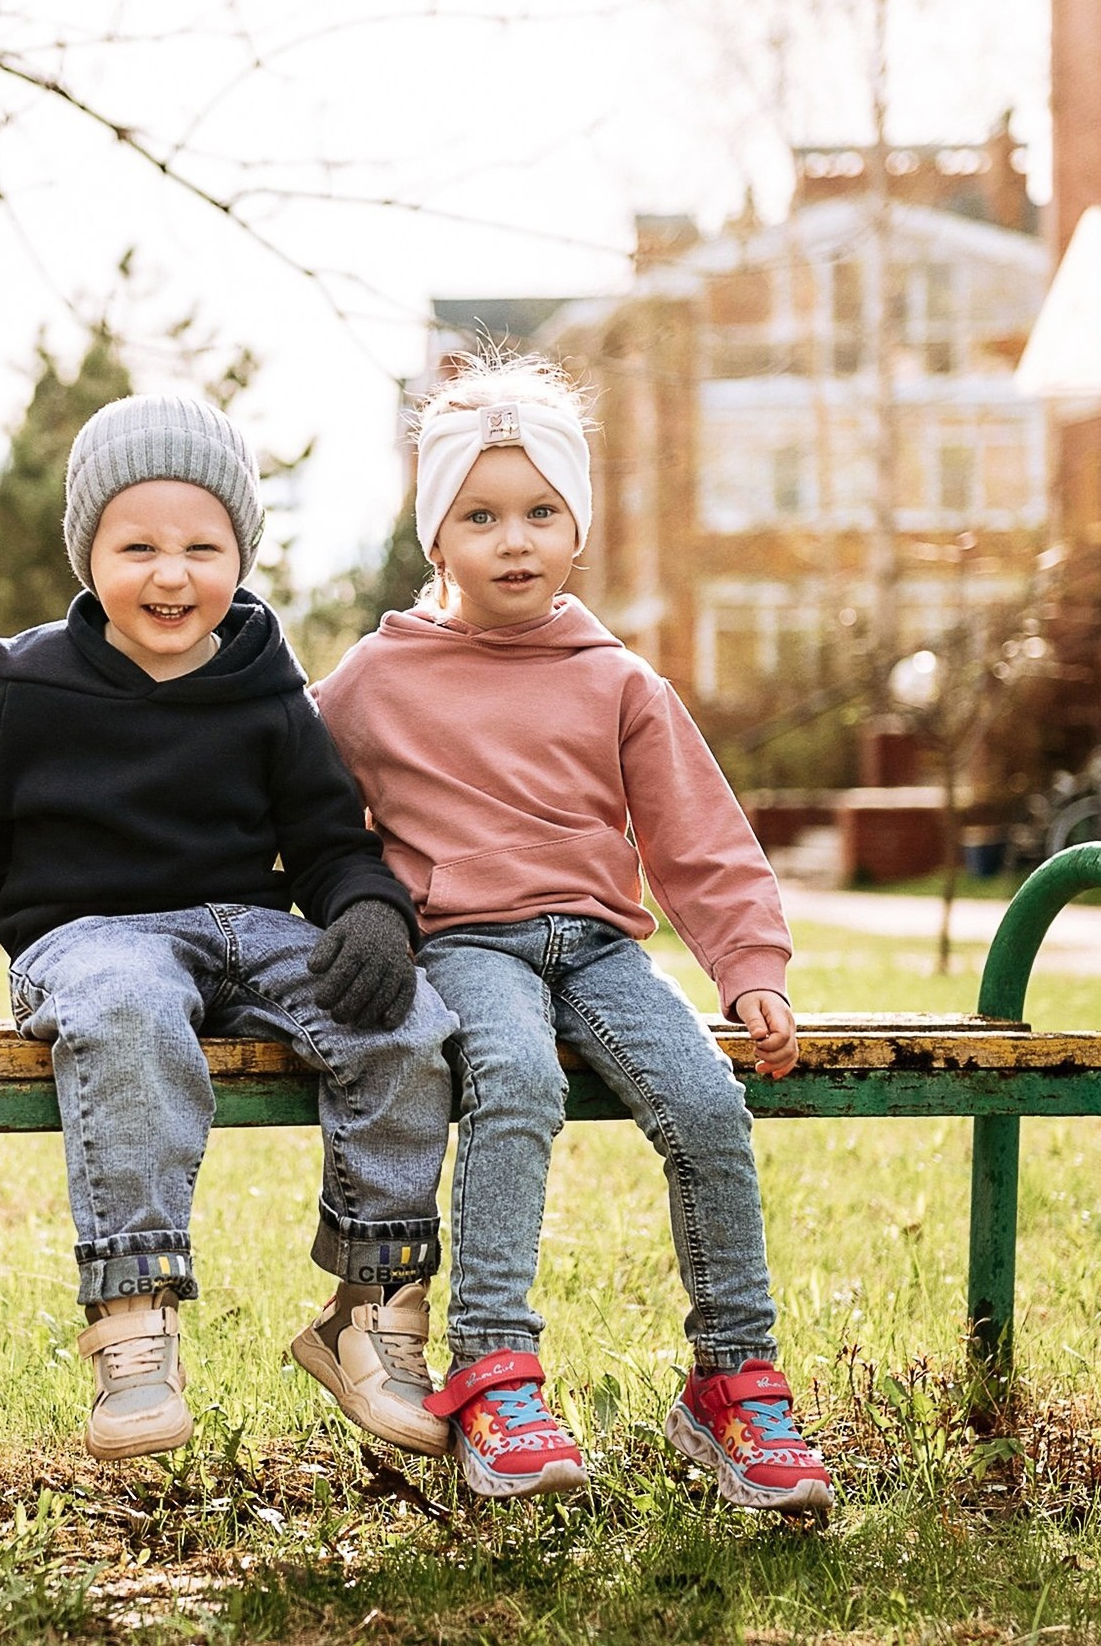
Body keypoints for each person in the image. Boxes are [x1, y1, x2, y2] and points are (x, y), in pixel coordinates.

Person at [0, 393, 459, 1463]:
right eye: (137, 546)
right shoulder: (33, 689)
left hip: (244, 930)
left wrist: (371, 911)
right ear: (89, 552)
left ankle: (370, 1307)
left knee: (405, 1020)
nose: (171, 574)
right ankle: (133, 1316)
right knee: (130, 1007)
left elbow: (330, 841)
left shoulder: (268, 686)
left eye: (203, 547)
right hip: (89, 938)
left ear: (240, 555)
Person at [313, 353, 836, 1512]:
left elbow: (697, 833)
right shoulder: (376, 677)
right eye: (480, 516)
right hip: (466, 945)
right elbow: (292, 803)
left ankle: (733, 1383)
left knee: (706, 1103)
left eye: (541, 512)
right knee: (514, 1079)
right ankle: (493, 1372)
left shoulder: (616, 679)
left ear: (576, 527)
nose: (514, 540)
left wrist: (749, 964)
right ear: (435, 534)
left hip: (598, 948)